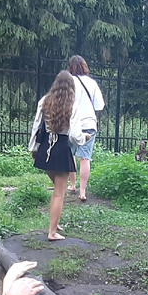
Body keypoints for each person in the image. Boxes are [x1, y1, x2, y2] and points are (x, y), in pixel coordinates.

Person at [29, 71, 88, 241]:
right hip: (61, 149)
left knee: (57, 189)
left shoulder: (44, 101)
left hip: (45, 147)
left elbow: (36, 127)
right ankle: (52, 232)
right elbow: (74, 136)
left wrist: (34, 148)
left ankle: (55, 222)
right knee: (58, 193)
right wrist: (85, 137)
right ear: (71, 88)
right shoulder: (72, 106)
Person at [66, 55, 105, 203]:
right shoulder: (92, 83)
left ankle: (72, 185)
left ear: (70, 67)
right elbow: (99, 106)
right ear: (85, 66)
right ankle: (83, 191)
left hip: (72, 124)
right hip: (89, 124)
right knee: (85, 158)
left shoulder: (68, 82)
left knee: (70, 154)